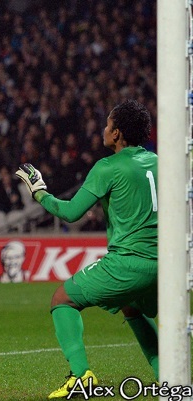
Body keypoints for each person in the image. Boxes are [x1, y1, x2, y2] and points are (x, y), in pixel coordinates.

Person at [15, 99, 158, 399]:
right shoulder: (159, 163)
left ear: (117, 133)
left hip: (128, 262)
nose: (103, 130)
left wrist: (40, 193)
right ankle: (168, 379)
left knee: (62, 299)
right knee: (131, 306)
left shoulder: (107, 167)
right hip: (164, 265)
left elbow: (70, 213)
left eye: (107, 125)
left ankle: (81, 378)